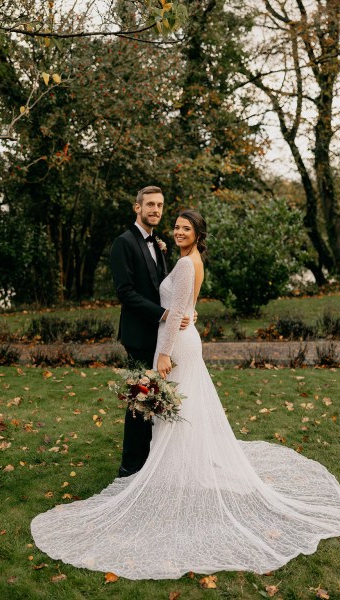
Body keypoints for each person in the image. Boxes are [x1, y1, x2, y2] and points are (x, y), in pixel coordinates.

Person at [31, 210, 340, 580]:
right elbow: (185, 306)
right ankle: (177, 467)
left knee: (174, 408)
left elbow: (174, 315)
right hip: (181, 338)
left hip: (176, 344)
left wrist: (165, 354)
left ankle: (174, 472)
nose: (178, 231)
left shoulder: (187, 265)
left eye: (186, 228)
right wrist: (189, 314)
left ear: (197, 233)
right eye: (176, 227)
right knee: (179, 408)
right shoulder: (188, 261)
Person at [109, 185, 190, 477]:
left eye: (159, 205)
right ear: (137, 208)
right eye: (150, 205)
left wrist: (181, 310)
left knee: (153, 398)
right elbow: (126, 292)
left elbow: (163, 289)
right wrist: (164, 315)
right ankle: (130, 467)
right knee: (139, 399)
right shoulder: (124, 243)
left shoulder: (158, 244)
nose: (155, 210)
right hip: (138, 335)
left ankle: (149, 462)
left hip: (158, 335)